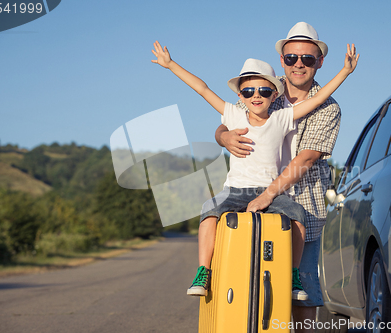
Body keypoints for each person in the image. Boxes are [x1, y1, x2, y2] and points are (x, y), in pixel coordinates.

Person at [151, 39, 358, 303]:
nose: (255, 96)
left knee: (296, 215)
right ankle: (203, 270)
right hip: (236, 190)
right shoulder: (233, 115)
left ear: (274, 95)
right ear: (239, 96)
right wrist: (171, 65)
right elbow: (202, 89)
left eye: (263, 90)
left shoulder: (282, 118)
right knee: (209, 209)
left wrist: (344, 72)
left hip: (269, 192)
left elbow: (318, 98)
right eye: (248, 92)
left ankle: (294, 276)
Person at [215, 22, 348, 332]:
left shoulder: (328, 108)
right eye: (291, 58)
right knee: (247, 287)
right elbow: (228, 118)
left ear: (320, 62)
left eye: (307, 58)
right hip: (252, 207)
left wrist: (268, 194)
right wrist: (223, 137)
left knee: (300, 295)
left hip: (302, 207)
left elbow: (306, 158)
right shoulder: (264, 92)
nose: (298, 64)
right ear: (282, 61)